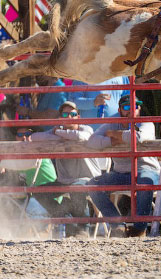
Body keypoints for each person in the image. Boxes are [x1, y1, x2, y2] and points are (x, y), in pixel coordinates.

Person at [86, 94, 160, 237]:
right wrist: (112, 142)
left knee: (145, 182)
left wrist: (115, 134)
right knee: (93, 185)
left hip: (146, 169)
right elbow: (91, 141)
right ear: (120, 110)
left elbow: (139, 138)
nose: (131, 110)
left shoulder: (146, 123)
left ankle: (139, 229)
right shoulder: (111, 123)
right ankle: (117, 224)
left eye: (135, 106)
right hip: (121, 173)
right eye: (127, 107)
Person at [30, 101, 104, 236]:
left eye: (73, 114)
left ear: (78, 118)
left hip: (89, 178)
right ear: (60, 118)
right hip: (65, 181)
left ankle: (83, 228)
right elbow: (34, 137)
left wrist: (58, 132)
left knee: (76, 187)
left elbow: (81, 136)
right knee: (38, 192)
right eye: (65, 114)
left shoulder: (86, 129)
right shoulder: (58, 132)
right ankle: (68, 219)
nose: (69, 117)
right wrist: (59, 133)